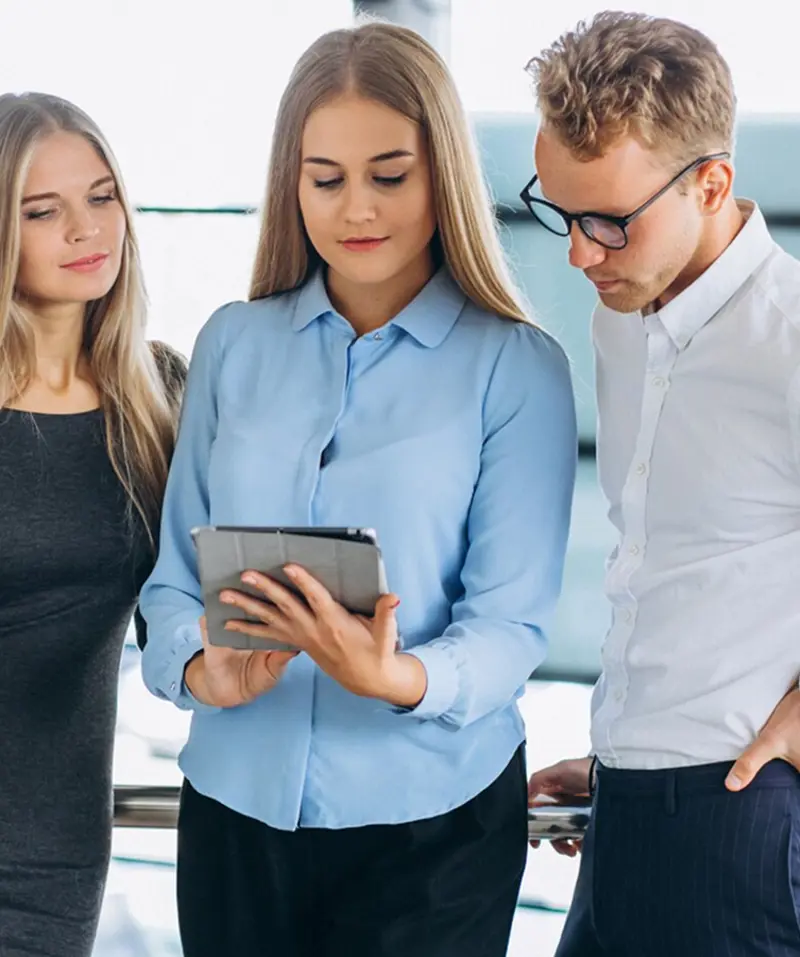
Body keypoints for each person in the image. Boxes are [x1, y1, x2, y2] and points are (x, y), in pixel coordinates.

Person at [140, 20, 577, 957]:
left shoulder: (518, 369)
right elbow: (173, 579)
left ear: (442, 176)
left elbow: (510, 625)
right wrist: (197, 668)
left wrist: (397, 678)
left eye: (390, 174)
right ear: (290, 183)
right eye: (325, 178)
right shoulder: (232, 344)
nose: (355, 210)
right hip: (233, 810)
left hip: (435, 829)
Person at [522, 11, 800, 956]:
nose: (578, 253)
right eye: (561, 213)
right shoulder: (623, 320)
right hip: (626, 809)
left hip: (744, 822)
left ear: (713, 182)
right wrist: (624, 756)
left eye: (608, 221)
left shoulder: (791, 339)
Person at [0, 93, 186, 956]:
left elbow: (191, 608)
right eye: (44, 211)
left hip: (56, 850)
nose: (87, 228)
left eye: (103, 196)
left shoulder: (159, 398)